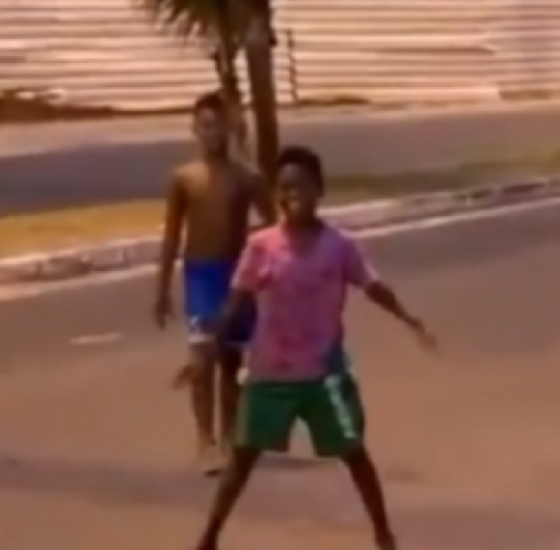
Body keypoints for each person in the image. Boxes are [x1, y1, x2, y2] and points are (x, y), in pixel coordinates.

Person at [178, 145, 437, 550]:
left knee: (354, 453)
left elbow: (372, 286)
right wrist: (210, 347)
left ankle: (384, 535)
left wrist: (409, 318)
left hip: (324, 374)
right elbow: (236, 302)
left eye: (300, 186)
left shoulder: (339, 246)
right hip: (270, 372)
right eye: (284, 188)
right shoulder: (262, 246)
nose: (291, 195)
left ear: (319, 190)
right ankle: (208, 539)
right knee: (242, 459)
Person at [154, 91, 276, 475]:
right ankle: (204, 440)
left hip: (236, 276)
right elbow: (172, 235)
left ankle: (229, 438)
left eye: (219, 125)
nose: (213, 133)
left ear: (230, 127)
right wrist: (162, 289)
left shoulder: (246, 178)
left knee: (230, 362)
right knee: (201, 361)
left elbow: (273, 226)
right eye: (205, 126)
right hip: (201, 276)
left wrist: (269, 273)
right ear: (195, 129)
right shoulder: (184, 178)